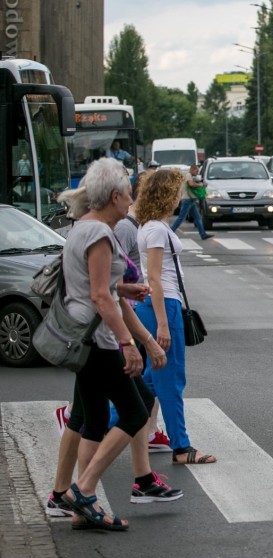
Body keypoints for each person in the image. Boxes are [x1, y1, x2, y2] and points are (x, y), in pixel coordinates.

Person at [49, 157, 171, 531]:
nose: (132, 199)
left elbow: (94, 285)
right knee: (137, 411)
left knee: (95, 419)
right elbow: (101, 297)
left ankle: (80, 505)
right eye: (128, 193)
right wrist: (129, 343)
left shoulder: (80, 228)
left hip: (79, 337)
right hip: (97, 339)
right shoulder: (101, 234)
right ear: (115, 195)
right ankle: (82, 492)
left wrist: (124, 287)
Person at [135, 168, 218, 465]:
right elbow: (155, 279)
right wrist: (162, 324)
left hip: (160, 305)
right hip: (164, 306)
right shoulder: (156, 229)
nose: (180, 197)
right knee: (171, 381)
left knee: (148, 382)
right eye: (177, 191)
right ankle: (181, 448)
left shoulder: (151, 225)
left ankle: (91, 424)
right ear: (167, 194)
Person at [113, 171, 171, 453]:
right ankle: (83, 420)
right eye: (127, 194)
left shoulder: (141, 224)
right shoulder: (126, 227)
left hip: (134, 305)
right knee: (135, 382)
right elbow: (115, 273)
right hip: (131, 309)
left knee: (144, 383)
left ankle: (148, 434)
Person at [170, 163, 213, 240]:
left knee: (198, 217)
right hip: (187, 199)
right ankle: (170, 233)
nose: (197, 173)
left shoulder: (190, 176)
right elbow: (191, 184)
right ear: (192, 170)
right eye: (196, 171)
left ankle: (203, 234)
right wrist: (200, 185)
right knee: (181, 218)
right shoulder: (188, 175)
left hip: (191, 200)